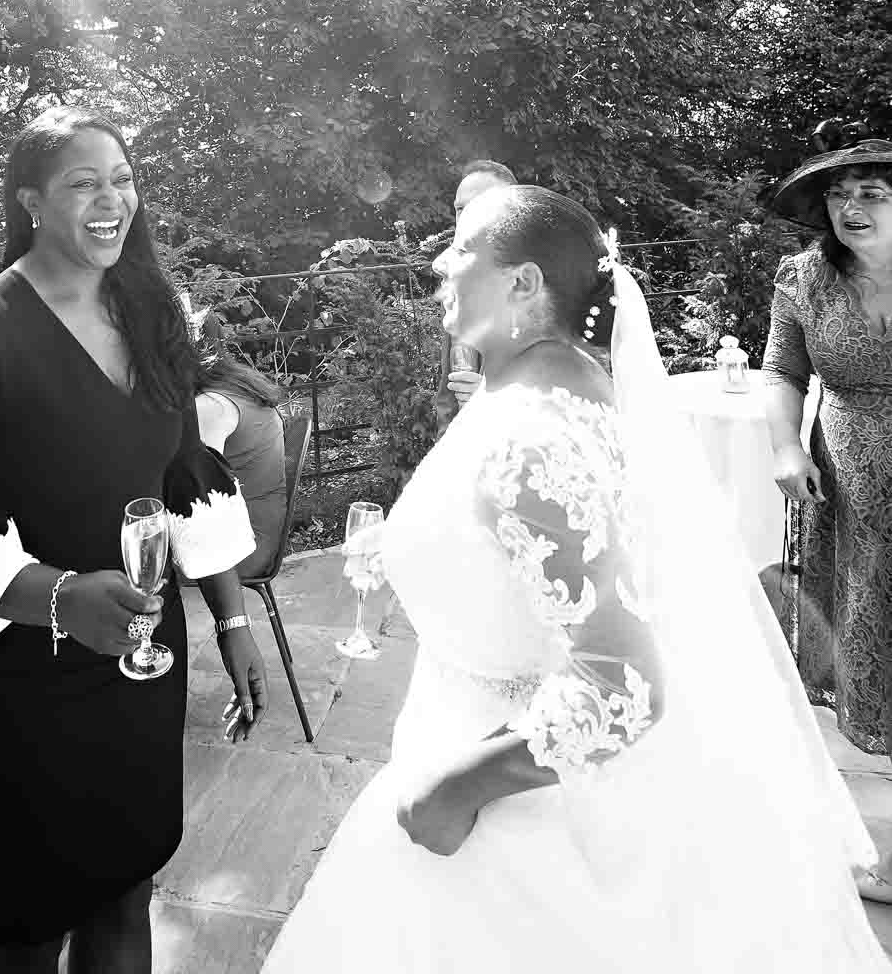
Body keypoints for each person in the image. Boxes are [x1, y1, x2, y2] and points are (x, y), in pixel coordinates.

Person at [260, 184, 885, 973]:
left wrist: (451, 790)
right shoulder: (551, 383)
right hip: (483, 730)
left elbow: (620, 683)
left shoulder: (535, 436)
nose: (438, 262)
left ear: (523, 283)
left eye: (460, 249)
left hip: (519, 814)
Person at [0, 105, 269, 974]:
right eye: (84, 183)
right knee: (27, 929)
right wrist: (63, 597)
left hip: (138, 669)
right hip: (19, 692)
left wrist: (233, 620)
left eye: (124, 179)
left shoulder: (148, 310)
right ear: (29, 200)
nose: (113, 201)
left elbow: (185, 473)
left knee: (126, 894)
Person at [764, 124, 892, 903]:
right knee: (871, 632)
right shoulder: (804, 277)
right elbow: (782, 368)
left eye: (871, 193)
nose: (849, 206)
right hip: (849, 484)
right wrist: (784, 445)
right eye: (838, 196)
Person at [430, 159, 517, 433]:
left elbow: (575, 393)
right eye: (460, 209)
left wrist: (496, 400)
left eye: (481, 205)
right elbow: (450, 389)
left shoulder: (546, 288)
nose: (466, 218)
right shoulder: (460, 283)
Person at [194, 339, 286, 578]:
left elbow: (198, 492)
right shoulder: (239, 384)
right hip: (262, 535)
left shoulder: (210, 406)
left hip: (239, 553)